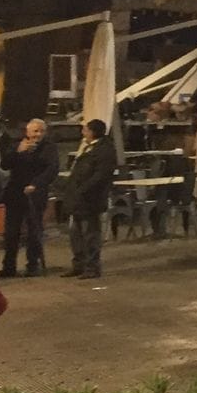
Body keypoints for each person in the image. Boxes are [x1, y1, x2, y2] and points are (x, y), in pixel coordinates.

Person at [58, 118, 118, 280]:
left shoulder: (104, 150)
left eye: (85, 129)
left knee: (90, 234)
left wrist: (83, 189)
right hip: (77, 198)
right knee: (75, 233)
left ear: (92, 132)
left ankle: (92, 267)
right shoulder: (87, 147)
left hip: (90, 200)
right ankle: (79, 264)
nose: (82, 132)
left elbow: (100, 175)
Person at [0, 118, 59, 278]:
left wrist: (36, 184)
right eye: (35, 131)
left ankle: (33, 265)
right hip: (15, 194)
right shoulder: (17, 145)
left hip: (35, 194)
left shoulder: (49, 148)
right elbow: (4, 164)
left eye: (41, 131)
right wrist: (18, 152)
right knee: (11, 232)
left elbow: (52, 169)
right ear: (27, 132)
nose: (38, 134)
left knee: (34, 230)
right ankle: (8, 266)